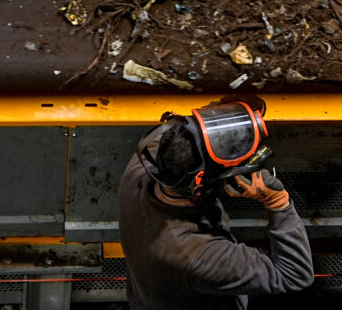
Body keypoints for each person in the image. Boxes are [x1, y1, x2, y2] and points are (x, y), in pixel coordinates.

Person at [117, 98, 314, 310]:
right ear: (199, 189)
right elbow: (294, 274)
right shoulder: (196, 255)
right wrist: (277, 202)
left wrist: (220, 116)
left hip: (151, 296)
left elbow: (183, 129)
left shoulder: (142, 166)